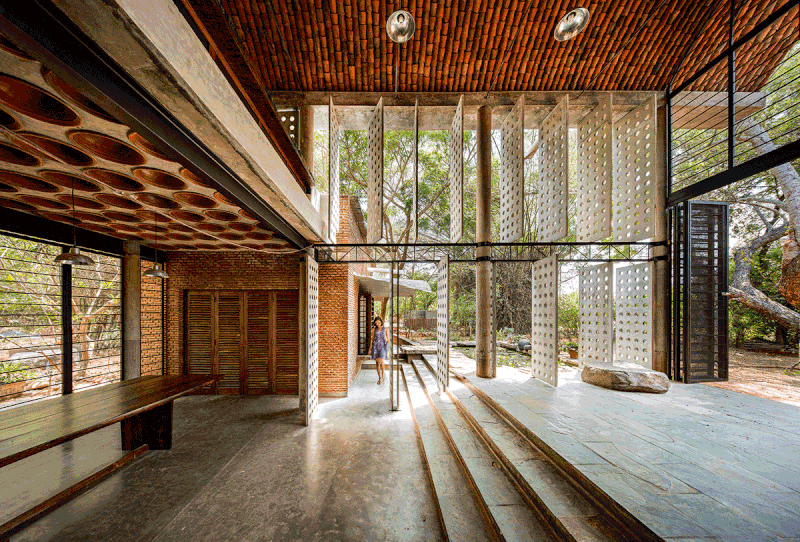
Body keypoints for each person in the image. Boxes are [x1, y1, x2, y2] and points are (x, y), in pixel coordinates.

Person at [370, 316, 388, 384]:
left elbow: (388, 339)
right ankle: (379, 378)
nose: (378, 324)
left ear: (381, 322)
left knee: (382, 362)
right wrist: (370, 348)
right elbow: (372, 339)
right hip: (375, 347)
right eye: (376, 323)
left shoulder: (385, 329)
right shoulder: (374, 329)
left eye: (379, 322)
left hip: (383, 346)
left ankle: (383, 375)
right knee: (377, 363)